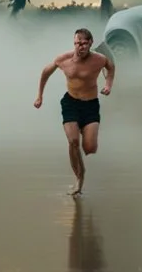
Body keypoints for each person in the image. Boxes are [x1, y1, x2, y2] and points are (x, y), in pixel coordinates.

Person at [34, 28, 114, 196]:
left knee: (90, 147)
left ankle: (83, 162)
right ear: (74, 43)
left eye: (84, 43)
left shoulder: (99, 59)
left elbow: (111, 67)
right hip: (70, 102)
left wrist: (108, 85)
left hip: (91, 104)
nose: (80, 47)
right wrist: (39, 96)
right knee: (73, 142)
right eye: (77, 43)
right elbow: (45, 73)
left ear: (91, 43)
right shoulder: (64, 59)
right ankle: (79, 177)